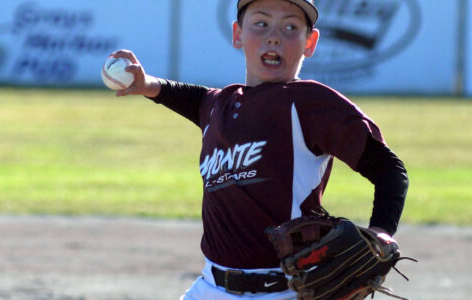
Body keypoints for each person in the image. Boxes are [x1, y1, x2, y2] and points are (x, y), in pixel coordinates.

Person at [110, 0, 409, 299]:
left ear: (310, 42)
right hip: (209, 287)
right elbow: (197, 100)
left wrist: (382, 230)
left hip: (284, 290)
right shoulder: (219, 105)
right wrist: (148, 85)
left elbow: (388, 168)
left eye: (291, 26)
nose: (274, 36)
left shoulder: (309, 103)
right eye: (261, 23)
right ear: (238, 34)